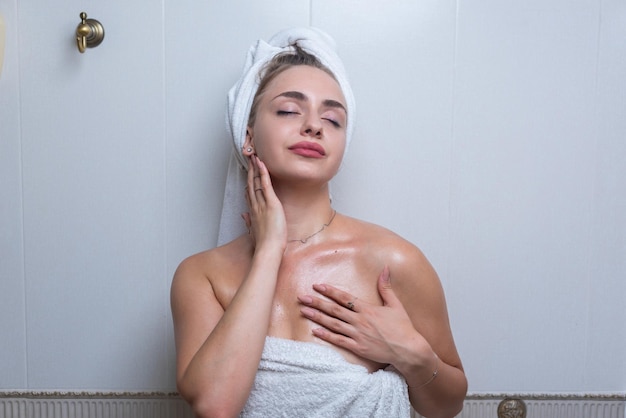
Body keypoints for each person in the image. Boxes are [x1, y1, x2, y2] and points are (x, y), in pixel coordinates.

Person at [171, 27, 467, 418]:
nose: (314, 126)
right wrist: (268, 253)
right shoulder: (202, 276)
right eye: (289, 111)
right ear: (247, 136)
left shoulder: (393, 262)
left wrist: (409, 353)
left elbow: (448, 406)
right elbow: (215, 405)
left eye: (333, 119)